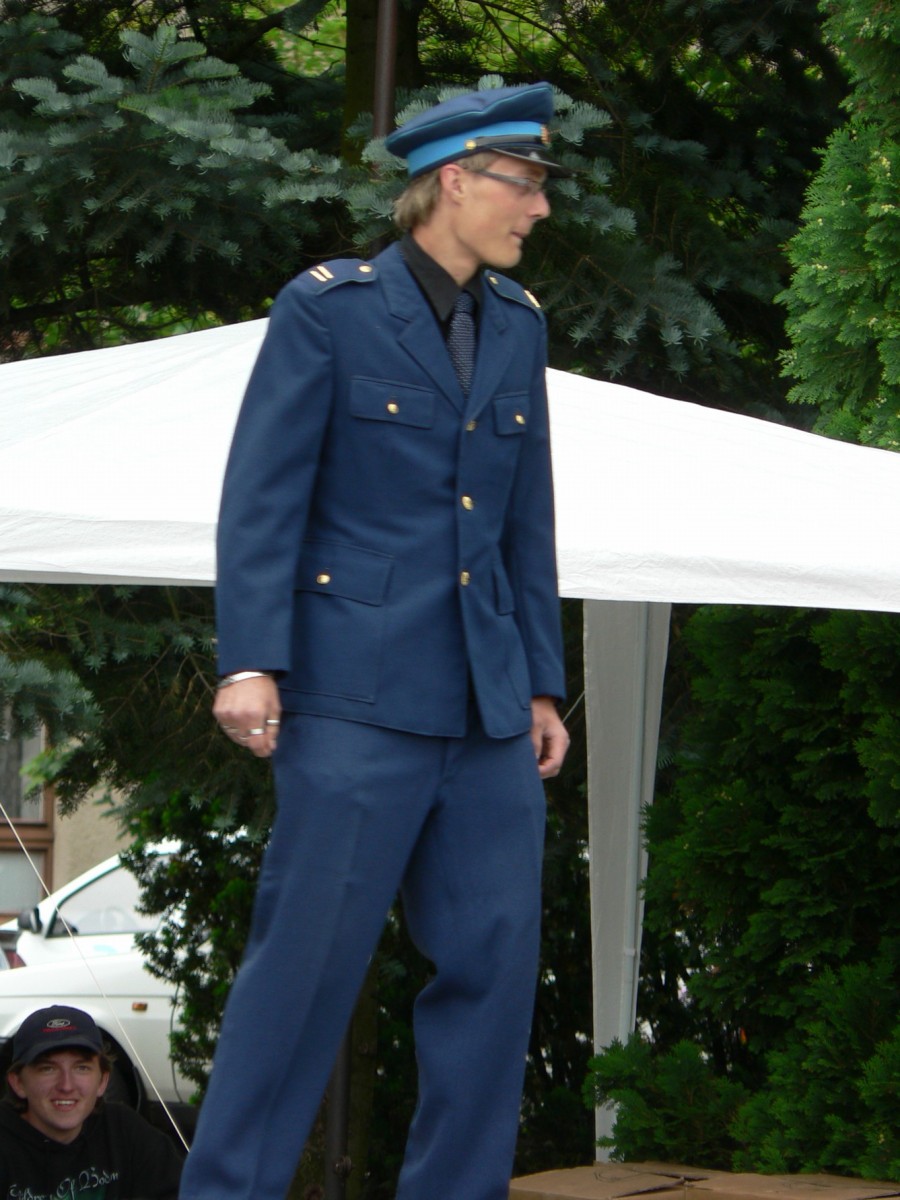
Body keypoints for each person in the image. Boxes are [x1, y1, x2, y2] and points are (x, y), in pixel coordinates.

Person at [180, 81, 571, 1200]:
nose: (539, 208)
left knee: (494, 970)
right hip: (353, 697)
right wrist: (250, 658)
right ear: (452, 181)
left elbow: (524, 519)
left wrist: (541, 684)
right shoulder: (331, 309)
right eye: (524, 184)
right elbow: (265, 494)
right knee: (303, 973)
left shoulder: (519, 323)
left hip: (486, 708)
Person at [0, 1004, 183, 1199]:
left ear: (103, 1081)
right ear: (18, 1083)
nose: (66, 1085)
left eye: (81, 1068)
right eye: (47, 1069)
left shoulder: (123, 1131)